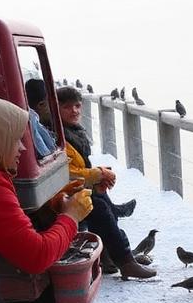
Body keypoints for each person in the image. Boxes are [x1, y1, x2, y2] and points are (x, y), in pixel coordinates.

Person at [0, 90, 93, 303]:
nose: (22, 149)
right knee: (51, 274)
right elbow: (36, 256)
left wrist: (53, 207)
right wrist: (71, 216)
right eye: (15, 139)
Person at [56, 86, 156, 279]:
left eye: (77, 106)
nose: (74, 111)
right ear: (55, 107)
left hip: (71, 188)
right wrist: (99, 174)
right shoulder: (58, 136)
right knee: (100, 206)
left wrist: (99, 177)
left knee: (100, 198)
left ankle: (111, 255)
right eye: (67, 107)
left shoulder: (71, 132)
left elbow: (76, 167)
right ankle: (125, 261)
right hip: (62, 194)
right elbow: (67, 173)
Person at [25, 78, 58, 158]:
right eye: (52, 103)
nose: (56, 108)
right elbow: (47, 155)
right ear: (41, 105)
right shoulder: (33, 124)